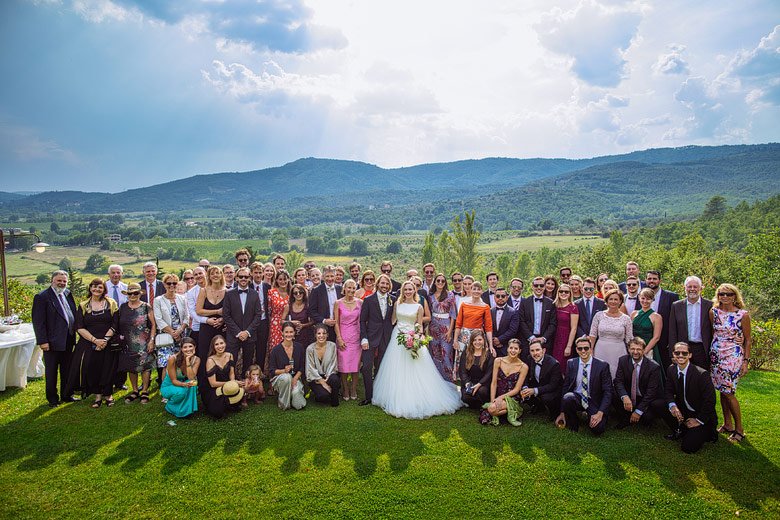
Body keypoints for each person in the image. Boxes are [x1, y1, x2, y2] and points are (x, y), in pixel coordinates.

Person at [372, 281, 463, 419]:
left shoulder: (419, 306)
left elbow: (420, 325)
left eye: (410, 289)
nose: (408, 291)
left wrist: (417, 338)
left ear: (414, 290)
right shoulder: (397, 304)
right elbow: (392, 321)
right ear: (402, 290)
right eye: (406, 289)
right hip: (397, 337)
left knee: (415, 366)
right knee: (396, 367)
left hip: (412, 336)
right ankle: (397, 393)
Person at [710, 284, 751, 443]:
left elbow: (748, 340)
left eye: (728, 294)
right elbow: (713, 332)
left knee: (729, 391)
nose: (725, 297)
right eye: (721, 294)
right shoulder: (714, 312)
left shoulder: (743, 315)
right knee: (721, 389)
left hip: (733, 356)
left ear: (734, 296)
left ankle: (739, 429)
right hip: (716, 355)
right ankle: (728, 424)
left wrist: (746, 361)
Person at [69, 278, 120, 408]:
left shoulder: (111, 303)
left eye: (100, 287)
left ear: (104, 289)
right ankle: (97, 395)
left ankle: (108, 394)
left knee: (108, 367)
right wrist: (95, 341)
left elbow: (115, 323)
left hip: (108, 341)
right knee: (93, 368)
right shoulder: (83, 305)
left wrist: (104, 340)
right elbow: (79, 327)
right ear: (90, 288)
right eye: (94, 287)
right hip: (89, 342)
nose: (96, 289)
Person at [661, 342, 717, 453]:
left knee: (688, 448)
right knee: (660, 404)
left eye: (684, 353)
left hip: (700, 415)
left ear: (690, 355)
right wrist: (673, 406)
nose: (680, 355)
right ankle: (681, 429)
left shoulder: (702, 374)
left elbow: (710, 401)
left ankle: (705, 432)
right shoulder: (671, 369)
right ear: (673, 354)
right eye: (677, 353)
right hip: (684, 410)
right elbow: (668, 391)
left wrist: (698, 420)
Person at [32, 270, 77, 406]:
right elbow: (38, 321)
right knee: (51, 372)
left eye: (64, 281)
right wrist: (43, 341)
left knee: (67, 369)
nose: (62, 283)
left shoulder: (67, 294)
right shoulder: (42, 297)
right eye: (59, 280)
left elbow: (72, 313)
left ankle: (67, 394)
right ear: (52, 280)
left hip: (68, 339)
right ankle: (52, 399)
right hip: (51, 342)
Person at [555, 337, 612, 435]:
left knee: (598, 429)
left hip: (593, 400)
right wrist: (562, 412)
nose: (583, 351)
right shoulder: (571, 363)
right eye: (580, 348)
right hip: (577, 397)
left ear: (591, 349)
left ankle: (596, 417)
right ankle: (573, 422)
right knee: (567, 397)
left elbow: (608, 391)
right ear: (576, 350)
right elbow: (566, 386)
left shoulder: (602, 366)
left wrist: (600, 413)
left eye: (586, 348)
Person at [116, 282, 156, 404]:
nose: (133, 295)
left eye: (135, 293)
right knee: (131, 367)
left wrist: (152, 341)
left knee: (145, 367)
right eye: (130, 293)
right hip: (128, 342)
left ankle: (144, 390)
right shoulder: (122, 307)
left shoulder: (146, 306)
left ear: (140, 294)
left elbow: (153, 324)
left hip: (144, 341)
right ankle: (134, 390)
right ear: (127, 294)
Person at [359, 274, 395, 406]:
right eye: (382, 283)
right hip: (370, 337)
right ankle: (368, 396)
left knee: (381, 367)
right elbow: (362, 320)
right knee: (367, 367)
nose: (384, 286)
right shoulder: (368, 300)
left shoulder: (393, 299)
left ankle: (380, 395)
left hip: (386, 337)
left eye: (387, 284)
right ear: (378, 284)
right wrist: (364, 338)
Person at [612, 337, 665, 429]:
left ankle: (641, 415)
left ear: (644, 350)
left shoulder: (653, 367)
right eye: (632, 349)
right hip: (629, 396)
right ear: (628, 349)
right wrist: (624, 397)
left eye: (639, 349)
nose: (635, 352)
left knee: (646, 419)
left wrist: (639, 411)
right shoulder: (623, 360)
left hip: (645, 397)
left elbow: (651, 392)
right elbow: (618, 381)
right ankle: (625, 417)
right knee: (613, 392)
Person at [221, 267, 263, 378]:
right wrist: (239, 332)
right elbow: (226, 315)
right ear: (236, 278)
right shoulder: (229, 294)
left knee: (248, 362)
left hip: (250, 335)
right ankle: (231, 386)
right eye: (241, 277)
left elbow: (258, 315)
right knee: (231, 362)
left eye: (246, 276)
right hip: (233, 335)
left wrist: (247, 332)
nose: (243, 279)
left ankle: (247, 386)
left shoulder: (254, 294)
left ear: (250, 278)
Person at [153, 273, 190, 397]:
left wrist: (179, 331)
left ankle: (180, 387)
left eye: (174, 283)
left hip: (181, 334)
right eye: (169, 283)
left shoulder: (182, 298)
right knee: (166, 364)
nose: (172, 286)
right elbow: (158, 319)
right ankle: (165, 391)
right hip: (166, 336)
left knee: (180, 362)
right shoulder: (158, 300)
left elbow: (186, 317)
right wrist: (172, 332)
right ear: (164, 284)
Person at [479, 339, 528, 426]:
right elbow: (493, 383)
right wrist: (492, 400)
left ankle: (510, 409)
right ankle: (508, 412)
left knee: (491, 409)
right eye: (511, 348)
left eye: (516, 349)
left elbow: (517, 389)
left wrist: (500, 398)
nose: (513, 351)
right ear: (507, 349)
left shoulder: (523, 367)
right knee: (492, 407)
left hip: (512, 396)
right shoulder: (498, 361)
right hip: (498, 393)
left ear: (519, 351)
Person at [668, 276, 713, 369]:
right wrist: (673, 353)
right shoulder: (676, 306)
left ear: (701, 288)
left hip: (702, 349)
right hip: (682, 349)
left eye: (695, 287)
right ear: (685, 288)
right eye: (689, 287)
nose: (692, 289)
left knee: (702, 378)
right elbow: (672, 331)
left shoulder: (709, 305)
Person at [453, 281, 493, 380]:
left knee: (477, 359)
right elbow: (458, 323)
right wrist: (455, 340)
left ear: (481, 291)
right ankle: (463, 382)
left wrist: (491, 345)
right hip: (464, 335)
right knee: (464, 359)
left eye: (478, 289)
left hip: (477, 336)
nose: (476, 291)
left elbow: (488, 327)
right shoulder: (464, 304)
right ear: (470, 290)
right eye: (474, 289)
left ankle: (476, 380)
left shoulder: (485, 307)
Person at [589, 289, 633, 379]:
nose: (613, 301)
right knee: (599, 374)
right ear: (607, 301)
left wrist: (631, 354)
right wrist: (591, 350)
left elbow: (629, 339)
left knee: (617, 375)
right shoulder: (599, 315)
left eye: (616, 299)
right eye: (611, 299)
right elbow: (593, 335)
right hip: (601, 349)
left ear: (620, 301)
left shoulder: (626, 319)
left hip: (619, 351)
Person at [519, 339, 563, 421]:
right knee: (521, 389)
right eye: (532, 351)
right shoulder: (529, 359)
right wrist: (525, 388)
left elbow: (553, 385)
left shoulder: (554, 364)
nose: (535, 353)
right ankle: (539, 406)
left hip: (553, 390)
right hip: (538, 384)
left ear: (543, 350)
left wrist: (534, 390)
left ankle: (555, 413)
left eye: (537, 350)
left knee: (546, 398)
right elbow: (525, 376)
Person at [202, 335, 243, 419]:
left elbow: (231, 373)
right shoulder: (210, 360)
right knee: (217, 413)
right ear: (213, 347)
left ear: (225, 343)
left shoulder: (230, 355)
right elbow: (213, 383)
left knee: (236, 404)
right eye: (216, 344)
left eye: (221, 343)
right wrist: (231, 383)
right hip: (213, 388)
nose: (220, 346)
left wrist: (233, 385)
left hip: (227, 385)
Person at [645, 270, 679, 369]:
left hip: (664, 342)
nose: (652, 281)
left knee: (664, 370)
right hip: (645, 341)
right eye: (649, 278)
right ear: (645, 280)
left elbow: (674, 321)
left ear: (660, 280)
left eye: (654, 279)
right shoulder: (642, 297)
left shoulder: (672, 297)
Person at [334, 279, 362, 400]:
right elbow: (336, 322)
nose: (351, 290)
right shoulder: (338, 303)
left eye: (353, 288)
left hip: (356, 337)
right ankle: (345, 389)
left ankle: (353, 388)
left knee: (355, 366)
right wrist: (339, 338)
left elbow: (362, 321)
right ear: (344, 288)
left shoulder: (360, 302)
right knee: (344, 366)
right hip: (343, 336)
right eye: (348, 288)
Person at [268, 322, 306, 410]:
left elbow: (302, 367)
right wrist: (283, 371)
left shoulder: (299, 347)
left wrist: (295, 379)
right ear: (282, 333)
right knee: (287, 377)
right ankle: (284, 404)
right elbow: (272, 371)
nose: (289, 334)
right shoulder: (276, 350)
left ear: (294, 333)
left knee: (298, 405)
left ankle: (293, 394)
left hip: (295, 377)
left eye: (291, 332)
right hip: (280, 378)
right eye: (286, 332)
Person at [518, 276, 557, 359]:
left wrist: (544, 338)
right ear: (532, 286)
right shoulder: (524, 302)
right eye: (536, 285)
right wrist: (531, 337)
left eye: (541, 285)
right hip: (527, 341)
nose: (539, 288)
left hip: (545, 342)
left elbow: (553, 323)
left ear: (544, 287)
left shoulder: (551, 303)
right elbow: (522, 322)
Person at [428, 273, 458, 382]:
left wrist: (450, 332)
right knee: (435, 355)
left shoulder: (450, 295)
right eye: (438, 280)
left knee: (446, 355)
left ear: (445, 283)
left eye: (442, 281)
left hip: (446, 327)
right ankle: (437, 381)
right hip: (433, 328)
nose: (440, 283)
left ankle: (449, 380)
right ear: (435, 282)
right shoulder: (430, 296)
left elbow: (453, 315)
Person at [159, 337, 199, 418]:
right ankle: (170, 406)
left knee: (193, 385)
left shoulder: (197, 359)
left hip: (183, 382)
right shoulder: (172, 359)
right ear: (181, 349)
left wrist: (188, 361)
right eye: (185, 347)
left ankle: (187, 410)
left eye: (190, 346)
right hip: (169, 385)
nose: (188, 349)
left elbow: (191, 378)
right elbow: (174, 381)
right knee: (181, 392)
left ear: (195, 347)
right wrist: (185, 384)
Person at [196, 266, 227, 368]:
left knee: (221, 354)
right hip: (206, 327)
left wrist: (223, 320)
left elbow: (230, 312)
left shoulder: (227, 292)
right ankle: (204, 382)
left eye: (217, 273)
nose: (215, 275)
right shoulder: (203, 291)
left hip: (221, 328)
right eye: (212, 273)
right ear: (208, 276)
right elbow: (199, 311)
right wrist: (217, 311)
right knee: (205, 354)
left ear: (221, 275)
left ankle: (221, 381)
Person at [305, 324, 341, 406]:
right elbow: (310, 367)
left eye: (324, 333)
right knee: (323, 396)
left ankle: (335, 402)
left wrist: (328, 377)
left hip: (329, 374)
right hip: (316, 378)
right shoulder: (310, 349)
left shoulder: (332, 346)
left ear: (327, 335)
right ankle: (325, 393)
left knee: (335, 379)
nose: (321, 336)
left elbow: (333, 363)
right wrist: (323, 382)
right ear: (315, 335)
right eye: (319, 333)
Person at [458, 330, 494, 409]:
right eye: (474, 340)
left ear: (484, 341)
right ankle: (478, 404)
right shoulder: (466, 353)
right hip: (470, 382)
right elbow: (462, 371)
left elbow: (489, 373)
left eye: (480, 340)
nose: (477, 342)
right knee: (465, 397)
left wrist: (479, 384)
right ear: (471, 341)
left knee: (482, 392)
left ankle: (482, 403)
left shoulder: (489, 354)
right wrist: (467, 383)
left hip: (483, 383)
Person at [266, 269, 291, 375]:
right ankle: (273, 377)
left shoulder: (292, 292)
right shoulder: (271, 292)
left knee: (288, 349)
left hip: (289, 324)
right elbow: (268, 310)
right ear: (276, 280)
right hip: (275, 324)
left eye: (285, 279)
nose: (282, 281)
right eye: (280, 279)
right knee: (275, 349)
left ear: (288, 280)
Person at [551, 283, 579, 374]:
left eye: (566, 292)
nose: (563, 293)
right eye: (561, 291)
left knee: (562, 366)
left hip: (565, 339)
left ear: (570, 293)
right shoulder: (554, 306)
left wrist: (569, 346)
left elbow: (574, 328)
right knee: (553, 365)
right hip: (554, 338)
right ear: (558, 292)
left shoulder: (573, 307)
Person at [309, 265, 342, 342]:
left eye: (332, 276)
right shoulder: (316, 291)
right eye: (327, 276)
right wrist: (324, 320)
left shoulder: (340, 289)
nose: (330, 279)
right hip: (323, 328)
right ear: (323, 277)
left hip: (339, 327)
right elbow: (312, 311)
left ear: (335, 276)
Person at [630, 288, 663, 366]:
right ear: (639, 298)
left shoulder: (656, 317)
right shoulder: (634, 314)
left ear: (652, 300)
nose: (645, 301)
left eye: (648, 299)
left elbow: (656, 337)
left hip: (649, 348)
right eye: (643, 298)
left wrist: (644, 351)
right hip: (634, 347)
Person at [490, 287, 519, 357]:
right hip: (492, 348)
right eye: (497, 296)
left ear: (507, 297)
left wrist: (499, 340)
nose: (500, 298)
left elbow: (513, 330)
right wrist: (493, 340)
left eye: (503, 296)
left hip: (506, 347)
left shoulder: (513, 312)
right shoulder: (490, 311)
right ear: (494, 297)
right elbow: (487, 327)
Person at [288, 283, 314, 348]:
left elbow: (313, 321)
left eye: (300, 292)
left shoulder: (308, 305)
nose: (298, 294)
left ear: (304, 293)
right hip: (293, 335)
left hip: (306, 335)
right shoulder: (289, 306)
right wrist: (291, 322)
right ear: (292, 295)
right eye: (295, 293)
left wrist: (303, 325)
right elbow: (281, 321)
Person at [185, 267, 206, 347]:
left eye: (200, 273)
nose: (198, 276)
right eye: (196, 274)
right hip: (198, 327)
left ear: (205, 273)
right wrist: (206, 320)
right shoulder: (191, 293)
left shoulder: (214, 288)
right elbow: (192, 312)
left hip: (215, 324)